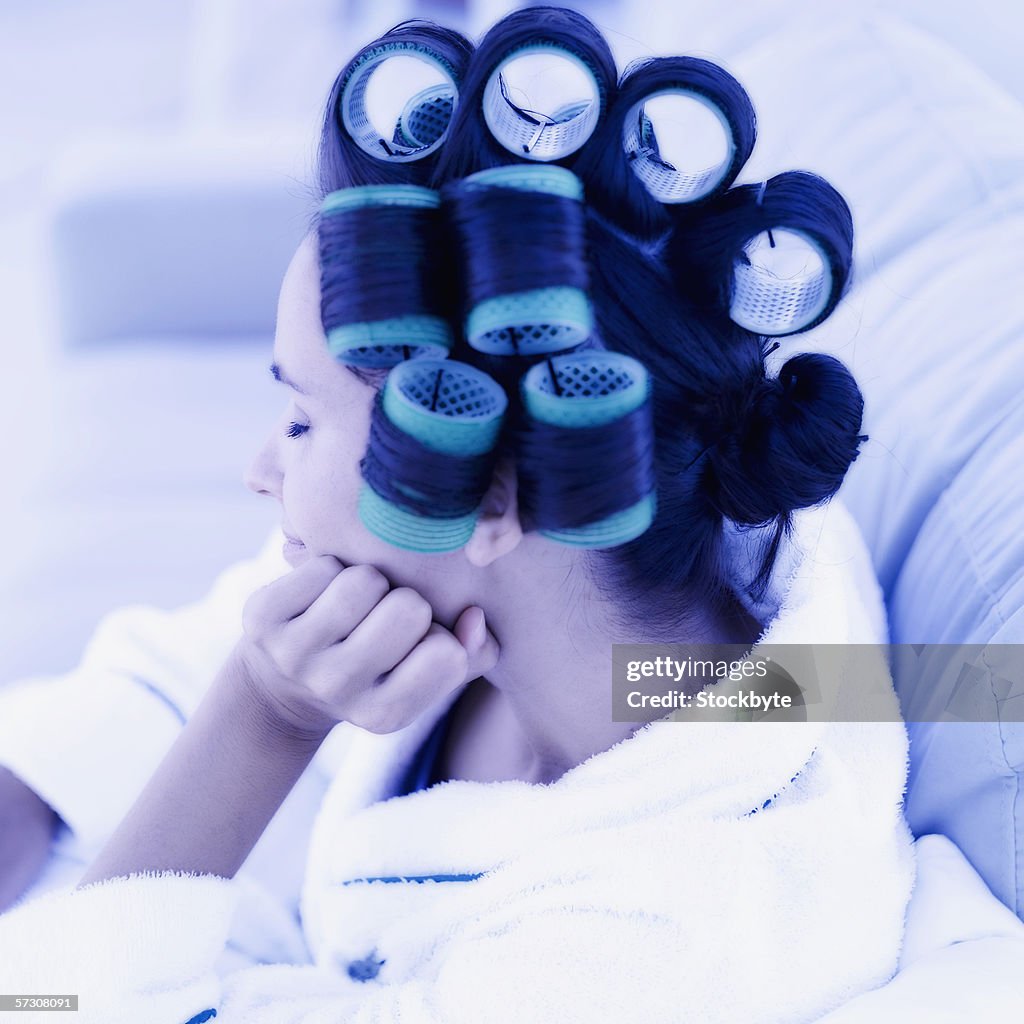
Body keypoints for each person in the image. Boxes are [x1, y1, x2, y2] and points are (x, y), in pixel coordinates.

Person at [1, 7, 1023, 1023]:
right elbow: (189, 655)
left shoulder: (645, 947)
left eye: (301, 420)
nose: (259, 468)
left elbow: (64, 1008)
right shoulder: (652, 583)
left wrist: (267, 715)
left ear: (492, 497)